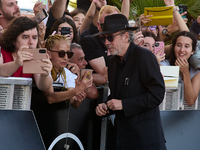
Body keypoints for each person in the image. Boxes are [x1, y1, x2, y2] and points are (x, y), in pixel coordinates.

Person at [95, 14, 166, 150]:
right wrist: (106, 106)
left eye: (110, 37)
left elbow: (156, 95)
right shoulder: (112, 62)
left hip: (146, 140)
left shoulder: (144, 57)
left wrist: (123, 104)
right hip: (122, 139)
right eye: (103, 38)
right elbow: (119, 95)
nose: (106, 42)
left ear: (126, 36)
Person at [0, 16, 53, 92]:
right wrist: (16, 64)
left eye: (34, 38)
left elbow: (43, 87)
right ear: (13, 39)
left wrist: (45, 75)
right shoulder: (2, 50)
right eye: (25, 37)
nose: (31, 42)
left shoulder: (35, 56)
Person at [44, 34, 93, 108]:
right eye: (61, 53)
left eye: (69, 54)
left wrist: (77, 100)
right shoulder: (43, 68)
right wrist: (75, 91)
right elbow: (50, 98)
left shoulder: (66, 73)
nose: (66, 58)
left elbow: (74, 103)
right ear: (48, 53)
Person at [160, 31, 200, 106]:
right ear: (174, 48)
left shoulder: (196, 72)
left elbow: (190, 101)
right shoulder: (164, 65)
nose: (182, 50)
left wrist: (185, 73)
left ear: (192, 51)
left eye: (186, 46)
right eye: (178, 45)